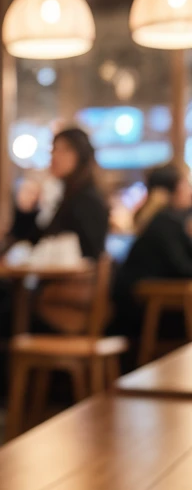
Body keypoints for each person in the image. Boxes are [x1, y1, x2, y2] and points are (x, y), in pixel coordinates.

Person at [112, 164, 192, 337]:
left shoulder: (165, 220)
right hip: (145, 312)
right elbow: (184, 268)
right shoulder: (165, 222)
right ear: (175, 189)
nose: (190, 190)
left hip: (151, 306)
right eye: (186, 183)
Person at [11, 126, 109, 258]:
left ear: (82, 156)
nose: (54, 156)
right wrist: (27, 208)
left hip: (64, 278)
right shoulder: (59, 195)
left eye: (65, 150)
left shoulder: (87, 201)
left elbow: (90, 256)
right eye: (53, 149)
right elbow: (30, 239)